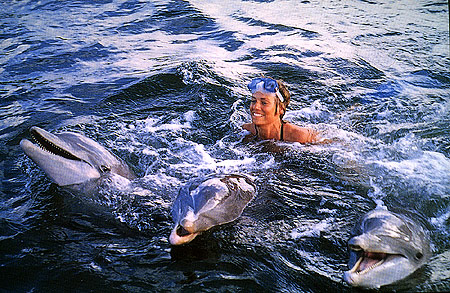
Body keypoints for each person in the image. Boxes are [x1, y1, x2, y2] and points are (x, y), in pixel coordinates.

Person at [242, 77, 318, 143]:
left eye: (264, 103)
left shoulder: (301, 137)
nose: (256, 107)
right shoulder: (245, 131)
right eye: (253, 101)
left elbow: (326, 141)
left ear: (280, 109)